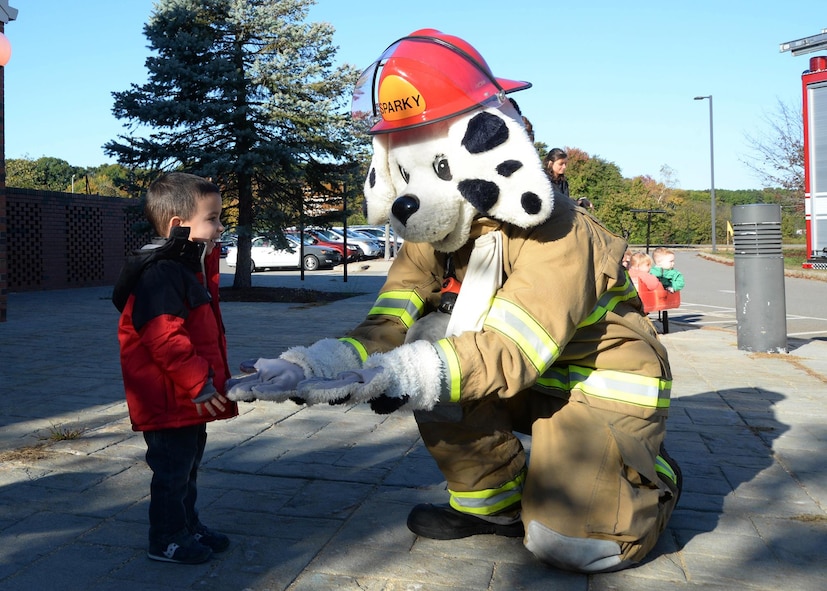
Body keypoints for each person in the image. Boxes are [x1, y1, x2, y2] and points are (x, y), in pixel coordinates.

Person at [228, 29, 680, 574]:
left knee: (572, 547)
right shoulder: (437, 230)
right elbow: (388, 324)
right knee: (424, 342)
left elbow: (511, 350)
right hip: (523, 381)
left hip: (598, 385)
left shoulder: (558, 232)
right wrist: (306, 365)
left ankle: (651, 478)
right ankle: (494, 505)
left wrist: (402, 373)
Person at [112, 172, 238, 565]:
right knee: (171, 472)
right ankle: (165, 538)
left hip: (185, 398)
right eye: (212, 218)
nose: (220, 227)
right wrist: (199, 382)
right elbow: (165, 338)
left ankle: (187, 525)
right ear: (177, 226)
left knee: (188, 467)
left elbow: (200, 333)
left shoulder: (188, 267)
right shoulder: (162, 273)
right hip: (168, 398)